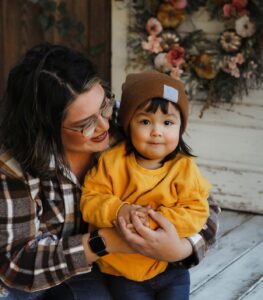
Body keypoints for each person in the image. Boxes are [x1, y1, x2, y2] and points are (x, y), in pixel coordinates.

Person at [0, 43, 219, 300]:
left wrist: (180, 249)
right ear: (44, 130)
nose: (105, 124)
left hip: (96, 269)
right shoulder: (12, 166)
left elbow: (204, 205)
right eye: (86, 124)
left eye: (104, 105)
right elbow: (16, 266)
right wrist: (108, 240)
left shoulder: (128, 121)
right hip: (33, 278)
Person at [80, 71, 211, 300]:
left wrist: (154, 222)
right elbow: (90, 200)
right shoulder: (111, 162)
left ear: (181, 128)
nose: (157, 131)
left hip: (172, 268)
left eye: (168, 122)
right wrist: (121, 211)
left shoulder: (185, 168)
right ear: (128, 124)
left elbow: (197, 210)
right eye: (145, 121)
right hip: (122, 271)